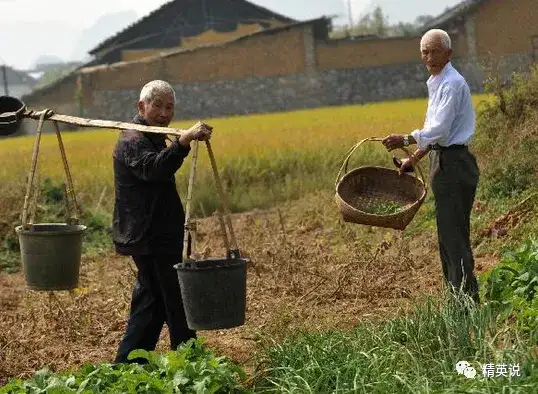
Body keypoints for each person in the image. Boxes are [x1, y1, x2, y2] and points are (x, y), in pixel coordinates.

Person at [112, 80, 213, 363]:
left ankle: (128, 364)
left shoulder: (154, 136)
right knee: (176, 300)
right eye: (157, 105)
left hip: (159, 234)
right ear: (141, 106)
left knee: (152, 301)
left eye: (169, 107)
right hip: (149, 237)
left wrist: (177, 143)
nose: (164, 113)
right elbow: (154, 169)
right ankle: (190, 363)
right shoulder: (132, 139)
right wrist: (182, 142)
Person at [381, 29, 480, 303]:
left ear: (448, 53)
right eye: (425, 51)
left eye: (435, 51)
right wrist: (412, 159)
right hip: (443, 161)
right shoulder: (436, 83)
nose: (429, 57)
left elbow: (439, 130)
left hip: (455, 164)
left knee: (454, 236)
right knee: (447, 236)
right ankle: (457, 299)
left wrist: (403, 139)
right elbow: (432, 132)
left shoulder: (452, 84)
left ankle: (466, 303)